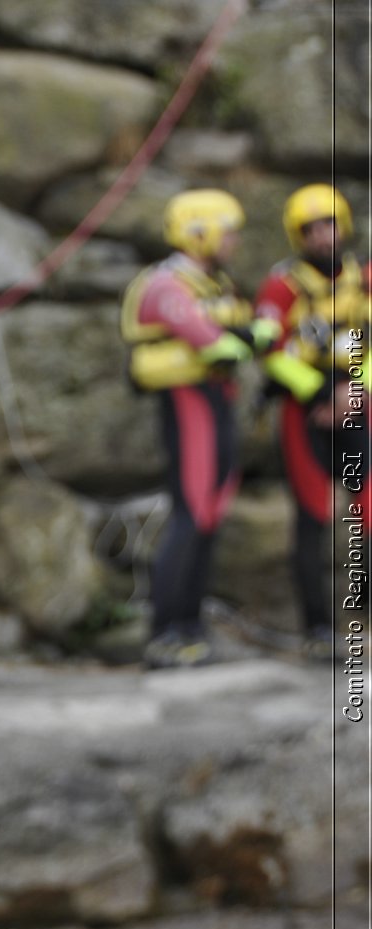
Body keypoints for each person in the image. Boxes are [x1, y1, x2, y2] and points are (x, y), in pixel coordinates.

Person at [120, 190, 282, 669]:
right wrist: (250, 336)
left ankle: (191, 627)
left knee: (210, 517)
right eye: (227, 231)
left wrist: (251, 335)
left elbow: (247, 335)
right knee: (191, 515)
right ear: (198, 231)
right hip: (189, 404)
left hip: (217, 401)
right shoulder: (168, 284)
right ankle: (165, 633)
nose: (234, 241)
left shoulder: (215, 282)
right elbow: (217, 345)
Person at [254, 184, 371, 660]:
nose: (323, 236)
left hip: (358, 402)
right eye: (311, 229)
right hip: (305, 409)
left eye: (329, 225)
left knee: (367, 505)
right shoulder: (282, 285)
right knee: (313, 514)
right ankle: (318, 630)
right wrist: (322, 391)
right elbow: (271, 350)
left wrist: (354, 390)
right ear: (298, 236)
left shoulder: (363, 278)